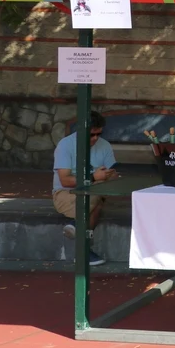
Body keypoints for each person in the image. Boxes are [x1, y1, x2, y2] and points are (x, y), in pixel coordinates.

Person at [53, 111, 119, 266]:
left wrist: (109, 176)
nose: (95, 138)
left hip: (96, 190)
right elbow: (65, 180)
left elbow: (113, 174)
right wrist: (94, 177)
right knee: (96, 200)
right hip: (65, 193)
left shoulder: (105, 145)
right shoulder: (65, 145)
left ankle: (77, 228)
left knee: (96, 195)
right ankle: (84, 250)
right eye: (91, 135)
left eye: (99, 134)